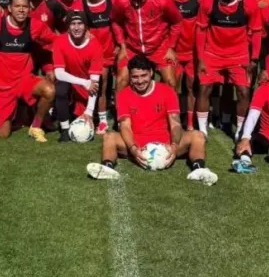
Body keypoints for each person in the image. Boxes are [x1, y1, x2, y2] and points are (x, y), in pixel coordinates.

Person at [86, 55, 218, 185]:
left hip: (166, 143)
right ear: (130, 77)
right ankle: (107, 167)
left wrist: (174, 146)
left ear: (151, 73)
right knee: (109, 137)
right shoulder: (124, 95)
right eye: (135, 77)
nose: (140, 81)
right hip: (137, 144)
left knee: (198, 136)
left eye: (144, 76)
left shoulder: (167, 91)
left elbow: (175, 123)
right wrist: (133, 149)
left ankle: (199, 169)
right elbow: (125, 126)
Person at [0, 0, 56, 142]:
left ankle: (36, 126)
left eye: (24, 6)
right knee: (4, 134)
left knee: (49, 90)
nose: (21, 10)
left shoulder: (36, 26)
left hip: (25, 80)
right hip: (2, 85)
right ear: (9, 8)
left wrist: (82, 36)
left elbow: (57, 41)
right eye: (17, 6)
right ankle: (19, 113)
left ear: (29, 8)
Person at [195, 0, 262, 137]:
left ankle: (240, 130)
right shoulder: (209, 0)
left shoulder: (248, 1)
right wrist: (201, 58)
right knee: (204, 88)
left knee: (243, 91)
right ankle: (202, 130)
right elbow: (201, 29)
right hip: (212, 53)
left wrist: (253, 58)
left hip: (239, 55)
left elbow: (256, 31)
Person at [112, 0, 183, 90]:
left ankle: (169, 109)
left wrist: (171, 47)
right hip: (133, 48)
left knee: (171, 82)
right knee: (121, 81)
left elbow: (177, 22)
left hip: (159, 48)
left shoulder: (162, 0)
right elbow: (115, 22)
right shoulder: (122, 1)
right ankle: (121, 109)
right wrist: (122, 46)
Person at [167, 0, 212, 130]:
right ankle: (173, 121)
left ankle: (192, 124)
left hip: (193, 51)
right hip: (173, 51)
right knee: (171, 87)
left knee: (192, 87)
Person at [52, 12, 104, 142]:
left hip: (86, 86)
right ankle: (64, 129)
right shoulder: (60, 41)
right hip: (70, 80)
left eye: (80, 24)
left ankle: (91, 114)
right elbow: (59, 73)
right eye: (73, 24)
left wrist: (89, 111)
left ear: (86, 26)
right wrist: (85, 82)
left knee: (79, 114)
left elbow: (94, 81)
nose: (76, 27)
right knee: (60, 88)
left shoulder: (95, 44)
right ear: (68, 27)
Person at [80, 0, 120, 133]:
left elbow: (119, 23)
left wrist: (120, 45)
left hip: (114, 50)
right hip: (94, 54)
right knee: (98, 84)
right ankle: (97, 118)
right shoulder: (81, 4)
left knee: (116, 84)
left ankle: (113, 118)